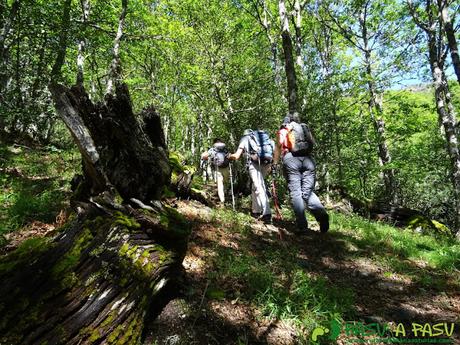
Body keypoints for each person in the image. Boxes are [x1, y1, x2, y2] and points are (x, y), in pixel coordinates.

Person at [273, 114, 329, 233]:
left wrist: (275, 164)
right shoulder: (304, 129)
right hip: (308, 160)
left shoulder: (284, 130)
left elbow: (278, 147)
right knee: (308, 192)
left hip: (291, 160)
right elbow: (313, 143)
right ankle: (322, 215)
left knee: (296, 193)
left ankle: (302, 227)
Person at [229, 129, 273, 223]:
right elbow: (273, 150)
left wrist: (229, 156)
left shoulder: (245, 138)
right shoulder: (265, 139)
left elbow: (237, 156)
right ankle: (255, 211)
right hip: (267, 163)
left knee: (259, 186)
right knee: (255, 186)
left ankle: (267, 213)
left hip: (254, 164)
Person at [201, 138, 230, 205]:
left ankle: (222, 199)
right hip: (225, 167)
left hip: (217, 168)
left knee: (220, 184)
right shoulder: (225, 149)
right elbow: (229, 156)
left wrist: (204, 156)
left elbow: (205, 155)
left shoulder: (212, 149)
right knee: (224, 182)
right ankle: (224, 197)